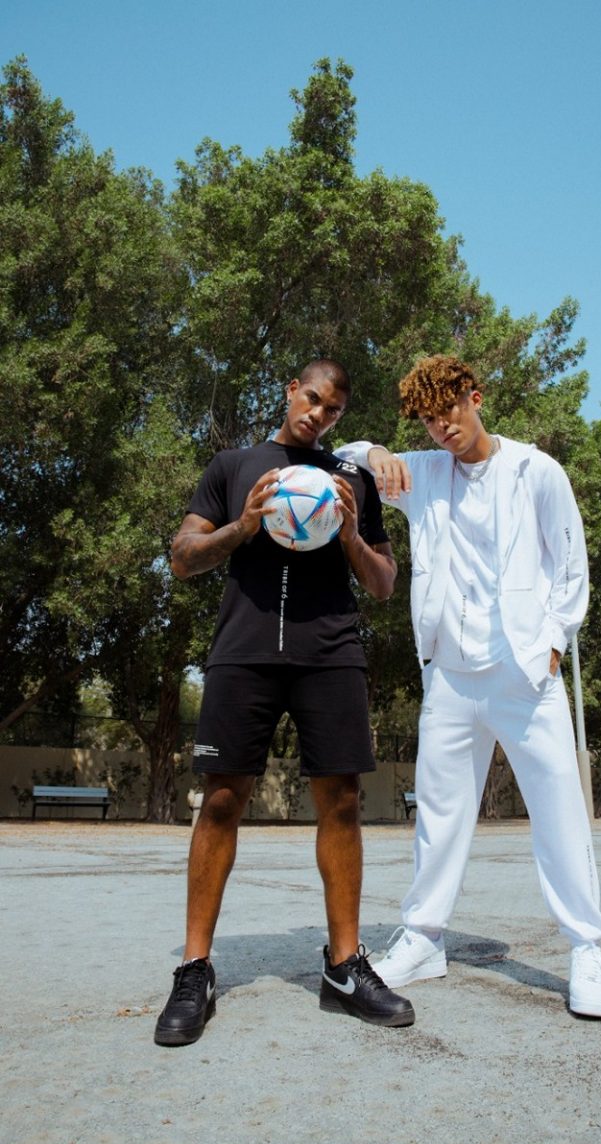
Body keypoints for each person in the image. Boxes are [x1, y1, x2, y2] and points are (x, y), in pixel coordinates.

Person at [335, 354, 601, 1018]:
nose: (443, 428)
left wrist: (552, 644)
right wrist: (377, 452)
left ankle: (587, 948)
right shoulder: (425, 473)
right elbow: (342, 455)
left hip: (524, 674)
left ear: (475, 398)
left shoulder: (535, 471)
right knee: (439, 814)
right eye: (430, 421)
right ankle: (424, 938)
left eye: (450, 411)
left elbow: (571, 566)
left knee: (558, 813)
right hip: (452, 677)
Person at [154, 359, 415, 1046]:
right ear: (290, 391)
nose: (318, 415)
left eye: (332, 410)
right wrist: (243, 526)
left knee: (343, 801)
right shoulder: (234, 466)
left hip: (330, 651)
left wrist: (350, 534)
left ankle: (344, 966)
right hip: (243, 650)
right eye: (312, 399)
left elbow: (384, 583)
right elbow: (182, 557)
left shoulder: (351, 480)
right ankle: (194, 968)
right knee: (221, 800)